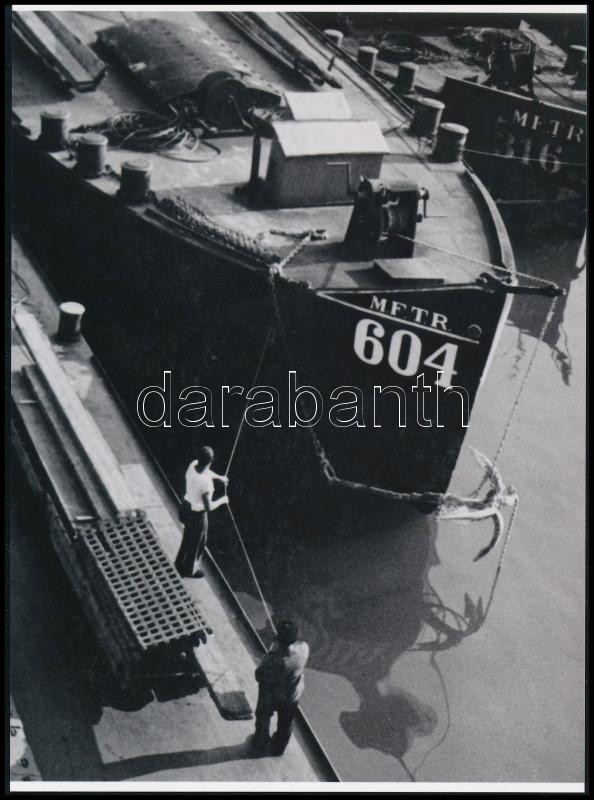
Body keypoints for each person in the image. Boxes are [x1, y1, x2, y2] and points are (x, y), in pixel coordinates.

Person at [253, 620, 310, 755]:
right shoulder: (304, 648)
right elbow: (291, 648)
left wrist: (273, 649)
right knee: (285, 725)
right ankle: (278, 749)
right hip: (293, 696)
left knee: (263, 715)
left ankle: (261, 741)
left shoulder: (275, 660)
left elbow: (259, 675)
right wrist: (280, 641)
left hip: (274, 696)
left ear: (279, 639)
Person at [175, 446, 228, 579]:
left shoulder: (192, 465)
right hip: (197, 516)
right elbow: (209, 507)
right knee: (198, 543)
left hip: (185, 509)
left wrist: (220, 477)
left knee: (187, 537)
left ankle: (179, 563)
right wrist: (223, 500)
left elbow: (206, 471)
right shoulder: (206, 484)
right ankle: (189, 571)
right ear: (212, 460)